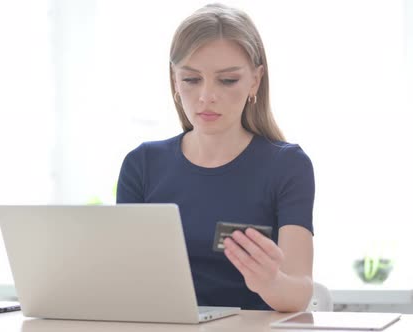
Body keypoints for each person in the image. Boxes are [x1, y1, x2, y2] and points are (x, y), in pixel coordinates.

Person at [116, 3, 315, 312]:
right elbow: (126, 279)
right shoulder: (142, 165)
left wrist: (271, 282)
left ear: (255, 81)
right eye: (192, 79)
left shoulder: (287, 166)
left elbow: (299, 291)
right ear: (174, 81)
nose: (206, 96)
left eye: (227, 80)